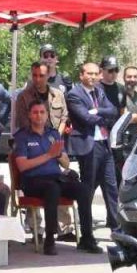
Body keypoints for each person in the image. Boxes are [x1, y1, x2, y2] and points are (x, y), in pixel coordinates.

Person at [15, 100, 94, 255]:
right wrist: (48, 155)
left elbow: (65, 163)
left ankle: (87, 238)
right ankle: (50, 239)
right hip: (33, 181)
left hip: (55, 177)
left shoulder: (53, 134)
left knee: (83, 189)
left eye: (42, 112)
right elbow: (22, 165)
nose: (39, 116)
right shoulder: (22, 136)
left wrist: (58, 155)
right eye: (35, 113)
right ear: (29, 116)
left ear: (47, 115)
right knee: (52, 189)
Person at [66, 62, 119, 238]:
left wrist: (98, 110)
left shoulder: (99, 92)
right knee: (87, 190)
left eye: (96, 74)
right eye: (90, 74)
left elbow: (113, 110)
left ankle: (118, 231)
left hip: (104, 144)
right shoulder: (75, 94)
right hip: (88, 146)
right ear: (81, 75)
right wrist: (102, 118)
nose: (94, 77)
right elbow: (86, 118)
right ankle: (87, 236)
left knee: (111, 188)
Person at [12, 61, 67, 133]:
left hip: (55, 139)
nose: (38, 79)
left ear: (48, 75)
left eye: (41, 76)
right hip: (32, 140)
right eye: (34, 75)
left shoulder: (58, 95)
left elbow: (64, 118)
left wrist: (56, 137)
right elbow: (23, 123)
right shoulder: (23, 97)